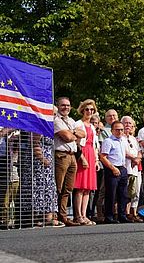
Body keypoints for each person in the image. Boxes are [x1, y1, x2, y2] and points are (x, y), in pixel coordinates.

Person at [53, 97, 85, 227]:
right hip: (61, 155)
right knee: (58, 187)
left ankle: (63, 215)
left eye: (68, 105)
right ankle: (55, 215)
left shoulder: (71, 121)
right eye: (63, 105)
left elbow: (83, 134)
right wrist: (73, 133)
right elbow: (66, 138)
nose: (65, 107)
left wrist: (72, 133)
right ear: (58, 106)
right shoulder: (56, 120)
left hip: (72, 156)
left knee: (68, 188)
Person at [72, 100, 99, 225]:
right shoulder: (78, 124)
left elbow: (94, 145)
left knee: (88, 188)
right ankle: (78, 215)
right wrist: (81, 157)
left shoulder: (92, 127)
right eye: (87, 109)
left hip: (91, 154)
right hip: (82, 153)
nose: (89, 112)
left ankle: (84, 214)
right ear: (82, 110)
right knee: (80, 187)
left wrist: (96, 160)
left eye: (92, 110)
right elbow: (77, 143)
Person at [99, 121, 130, 224]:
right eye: (117, 129)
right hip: (112, 168)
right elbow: (103, 157)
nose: (119, 131)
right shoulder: (108, 141)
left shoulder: (123, 140)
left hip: (122, 168)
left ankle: (122, 215)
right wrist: (113, 168)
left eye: (121, 129)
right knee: (111, 194)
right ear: (112, 130)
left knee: (123, 194)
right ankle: (109, 216)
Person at [122, 116, 143, 222]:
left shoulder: (133, 139)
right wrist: (133, 158)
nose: (127, 125)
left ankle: (132, 213)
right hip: (126, 167)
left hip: (134, 168)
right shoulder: (120, 138)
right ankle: (125, 213)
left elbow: (139, 151)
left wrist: (138, 158)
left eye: (130, 123)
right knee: (125, 191)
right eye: (125, 123)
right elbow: (123, 151)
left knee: (133, 191)